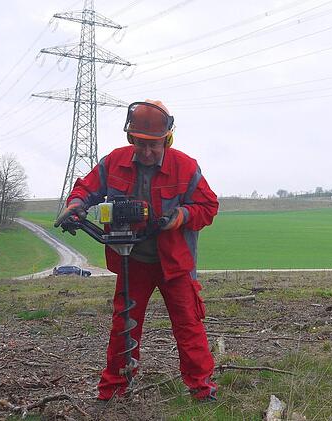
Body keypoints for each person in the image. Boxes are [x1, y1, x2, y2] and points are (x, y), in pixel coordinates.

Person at [54, 100, 219, 401]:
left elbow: (208, 207)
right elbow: (86, 189)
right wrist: (76, 205)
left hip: (174, 263)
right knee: (123, 327)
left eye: (153, 145)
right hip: (132, 262)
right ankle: (113, 391)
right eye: (140, 143)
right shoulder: (114, 162)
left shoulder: (185, 167)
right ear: (131, 139)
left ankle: (202, 389)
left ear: (166, 140)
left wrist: (179, 217)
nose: (146, 152)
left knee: (189, 325)